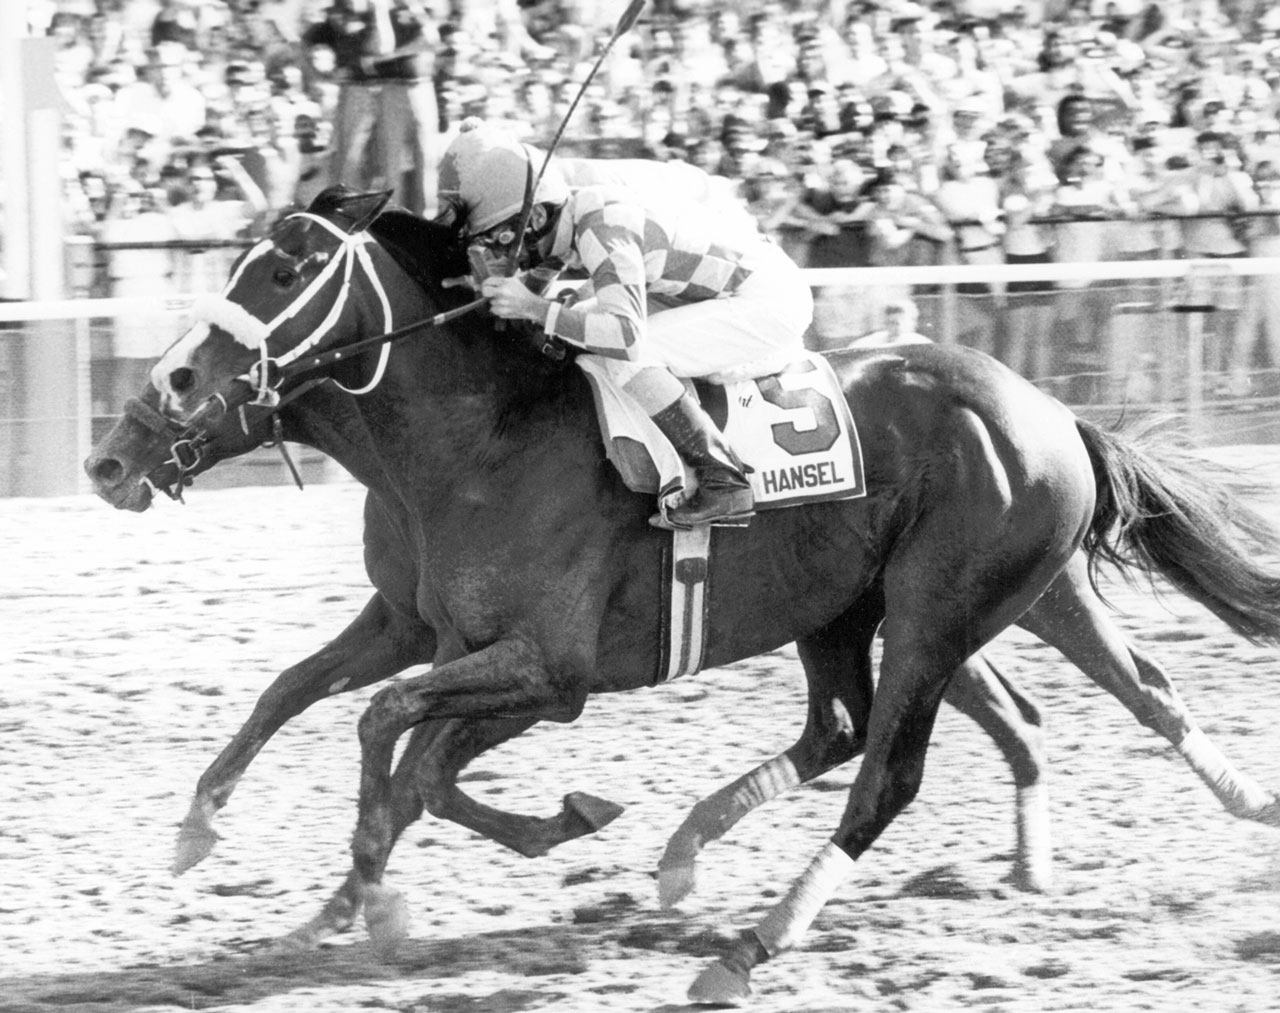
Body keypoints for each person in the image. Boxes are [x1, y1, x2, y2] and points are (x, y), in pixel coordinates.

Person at [437, 121, 813, 530]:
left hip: (768, 300)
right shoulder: (569, 217)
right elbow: (533, 286)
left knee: (628, 357)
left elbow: (626, 337)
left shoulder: (602, 228)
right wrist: (487, 293)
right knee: (579, 306)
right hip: (726, 286)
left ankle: (723, 479)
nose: (500, 251)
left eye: (502, 238)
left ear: (538, 216)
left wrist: (533, 307)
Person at [850, 299, 930, 348]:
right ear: (885, 323)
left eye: (898, 323)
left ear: (912, 322)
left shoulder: (921, 343)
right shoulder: (870, 342)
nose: (896, 327)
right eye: (891, 323)